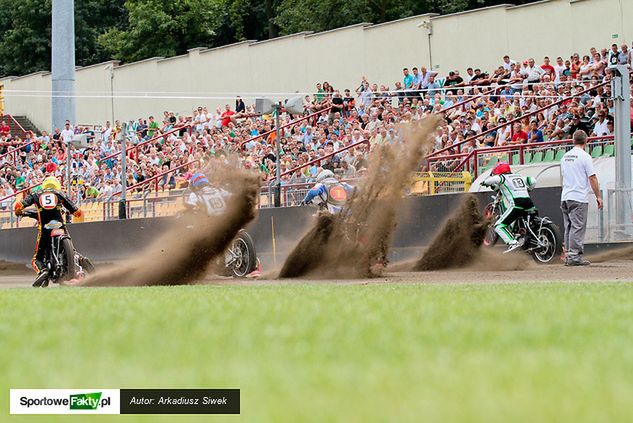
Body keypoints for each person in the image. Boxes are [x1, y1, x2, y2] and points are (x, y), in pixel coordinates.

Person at [13, 176, 82, 286]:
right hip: (60, 227)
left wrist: (18, 212)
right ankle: (75, 260)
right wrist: (77, 213)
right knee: (71, 246)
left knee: (36, 259)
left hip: (45, 229)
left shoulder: (35, 194)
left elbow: (19, 205)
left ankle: (43, 270)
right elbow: (77, 211)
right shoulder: (59, 193)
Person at [560, 130, 603, 266]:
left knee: (569, 227)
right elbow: (592, 177)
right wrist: (598, 196)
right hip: (578, 196)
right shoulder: (585, 157)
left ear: (573, 140)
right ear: (586, 141)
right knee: (578, 226)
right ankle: (574, 256)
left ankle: (568, 255)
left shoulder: (565, 157)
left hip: (566, 195)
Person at [482, 162, 537, 252]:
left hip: (517, 204)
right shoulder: (519, 176)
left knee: (499, 225)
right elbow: (533, 181)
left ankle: (513, 243)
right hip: (529, 203)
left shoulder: (502, 177)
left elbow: (492, 180)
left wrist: (484, 182)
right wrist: (528, 189)